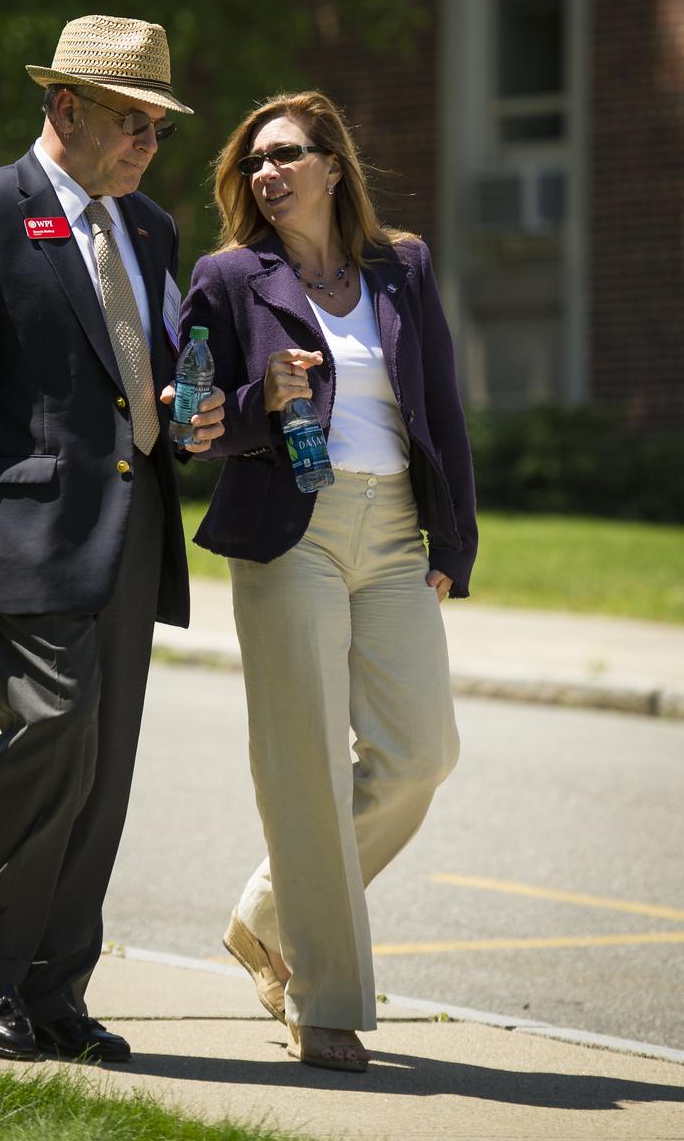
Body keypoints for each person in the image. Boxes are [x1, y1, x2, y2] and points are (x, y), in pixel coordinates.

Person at [0, 14, 224, 1062]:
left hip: (131, 533)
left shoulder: (153, 229)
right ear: (65, 109)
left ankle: (56, 987)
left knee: (104, 766)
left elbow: (147, 364)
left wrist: (189, 409)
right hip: (18, 534)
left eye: (160, 129)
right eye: (132, 122)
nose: (148, 146)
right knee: (57, 733)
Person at [179, 91, 477, 1073]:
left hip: (392, 527)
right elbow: (192, 425)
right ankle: (326, 1001)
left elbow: (440, 404)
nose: (267, 172)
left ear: (333, 164)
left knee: (419, 750)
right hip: (286, 530)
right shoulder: (227, 279)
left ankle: (267, 912)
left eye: (287, 154)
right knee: (303, 759)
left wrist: (453, 539)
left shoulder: (401, 266)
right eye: (254, 159)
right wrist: (259, 403)